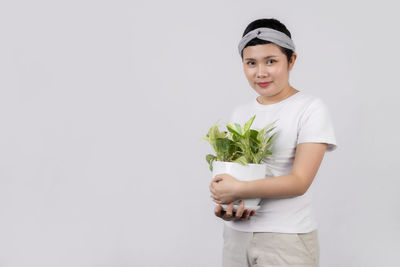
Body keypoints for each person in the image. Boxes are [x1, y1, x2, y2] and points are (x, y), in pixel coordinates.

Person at [209, 18, 337, 267]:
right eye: (251, 63)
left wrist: (237, 190)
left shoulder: (310, 108)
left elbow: (299, 182)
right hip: (237, 235)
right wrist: (228, 206)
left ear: (291, 60)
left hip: (287, 238)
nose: (261, 72)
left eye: (271, 61)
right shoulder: (240, 113)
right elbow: (237, 175)